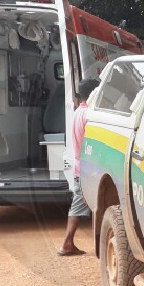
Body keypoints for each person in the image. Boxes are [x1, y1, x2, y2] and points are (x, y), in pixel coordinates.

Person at [58, 78, 101, 256]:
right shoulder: (89, 115)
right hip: (87, 168)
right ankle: (67, 243)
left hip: (79, 165)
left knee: (84, 204)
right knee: (80, 205)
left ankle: (70, 243)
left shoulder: (77, 112)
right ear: (94, 94)